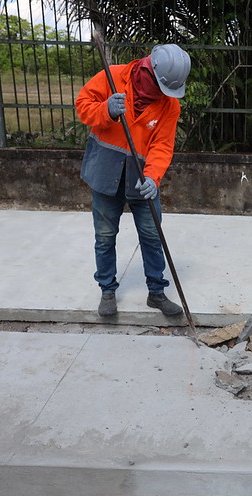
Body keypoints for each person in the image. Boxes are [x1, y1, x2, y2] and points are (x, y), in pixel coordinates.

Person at [76, 44, 190, 317]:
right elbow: (82, 107)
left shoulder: (169, 105)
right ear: (148, 71)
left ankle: (157, 292)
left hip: (141, 178)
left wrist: (153, 177)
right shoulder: (111, 77)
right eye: (161, 87)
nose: (163, 95)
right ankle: (107, 290)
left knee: (152, 235)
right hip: (105, 173)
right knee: (105, 236)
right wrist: (106, 110)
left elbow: (163, 145)